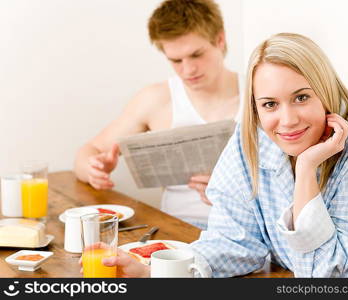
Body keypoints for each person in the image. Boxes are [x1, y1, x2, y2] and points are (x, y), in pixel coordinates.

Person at [93, 33, 348, 278]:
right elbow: (233, 242)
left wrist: (307, 169)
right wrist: (156, 273)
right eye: (270, 104)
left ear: (325, 91)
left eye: (301, 97)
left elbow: (327, 275)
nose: (287, 120)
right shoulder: (253, 142)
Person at [74, 0, 243, 229]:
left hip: (244, 230)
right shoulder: (156, 99)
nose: (188, 69)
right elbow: (88, 152)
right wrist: (93, 169)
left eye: (196, 54)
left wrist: (233, 190)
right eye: (175, 60)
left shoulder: (261, 96)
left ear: (220, 40)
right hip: (175, 231)